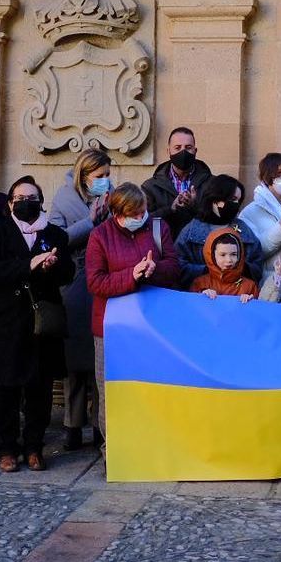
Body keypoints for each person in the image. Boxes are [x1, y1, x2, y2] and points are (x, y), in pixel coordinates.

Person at [0, 176, 74, 472]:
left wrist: (53, 265)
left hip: (41, 322)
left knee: (40, 387)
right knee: (5, 387)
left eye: (31, 197)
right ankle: (8, 448)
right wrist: (29, 265)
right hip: (6, 321)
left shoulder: (55, 235)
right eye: (19, 198)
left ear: (40, 201)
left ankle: (34, 446)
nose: (25, 202)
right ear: (10, 204)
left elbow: (68, 272)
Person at [85, 184, 183, 440]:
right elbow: (95, 282)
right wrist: (132, 275)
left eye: (143, 212)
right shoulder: (100, 236)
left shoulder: (158, 228)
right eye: (134, 213)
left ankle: (149, 445)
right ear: (117, 213)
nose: (140, 218)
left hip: (151, 323)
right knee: (112, 391)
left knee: (152, 387)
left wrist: (154, 269)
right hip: (112, 328)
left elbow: (174, 267)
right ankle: (113, 450)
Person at [47, 148, 113, 452]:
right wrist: (90, 221)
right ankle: (73, 425)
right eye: (100, 176)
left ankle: (100, 426)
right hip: (74, 281)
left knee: (101, 359)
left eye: (107, 176)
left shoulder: (111, 196)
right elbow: (57, 240)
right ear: (85, 175)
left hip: (102, 283)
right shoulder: (63, 199)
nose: (105, 181)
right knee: (75, 359)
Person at [175, 174, 265, 284]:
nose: (235, 204)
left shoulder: (244, 230)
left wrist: (241, 269)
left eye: (238, 200)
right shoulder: (191, 232)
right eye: (232, 199)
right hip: (201, 293)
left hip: (236, 294)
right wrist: (208, 271)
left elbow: (257, 265)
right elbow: (177, 266)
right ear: (215, 198)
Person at [143, 127, 213, 231]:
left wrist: (194, 206)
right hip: (164, 245)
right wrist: (171, 209)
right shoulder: (150, 187)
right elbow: (142, 220)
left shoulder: (212, 184)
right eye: (177, 148)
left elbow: (219, 219)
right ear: (168, 151)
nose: (183, 152)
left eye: (188, 147)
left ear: (195, 151)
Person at [238, 152, 281, 257]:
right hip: (270, 272)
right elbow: (253, 251)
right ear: (267, 177)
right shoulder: (249, 213)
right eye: (280, 173)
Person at [190, 228, 257, 302]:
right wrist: (202, 296)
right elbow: (191, 308)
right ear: (211, 255)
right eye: (222, 255)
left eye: (234, 254)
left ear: (240, 255)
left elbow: (258, 311)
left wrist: (251, 302)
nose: (229, 260)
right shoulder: (200, 283)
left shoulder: (250, 286)